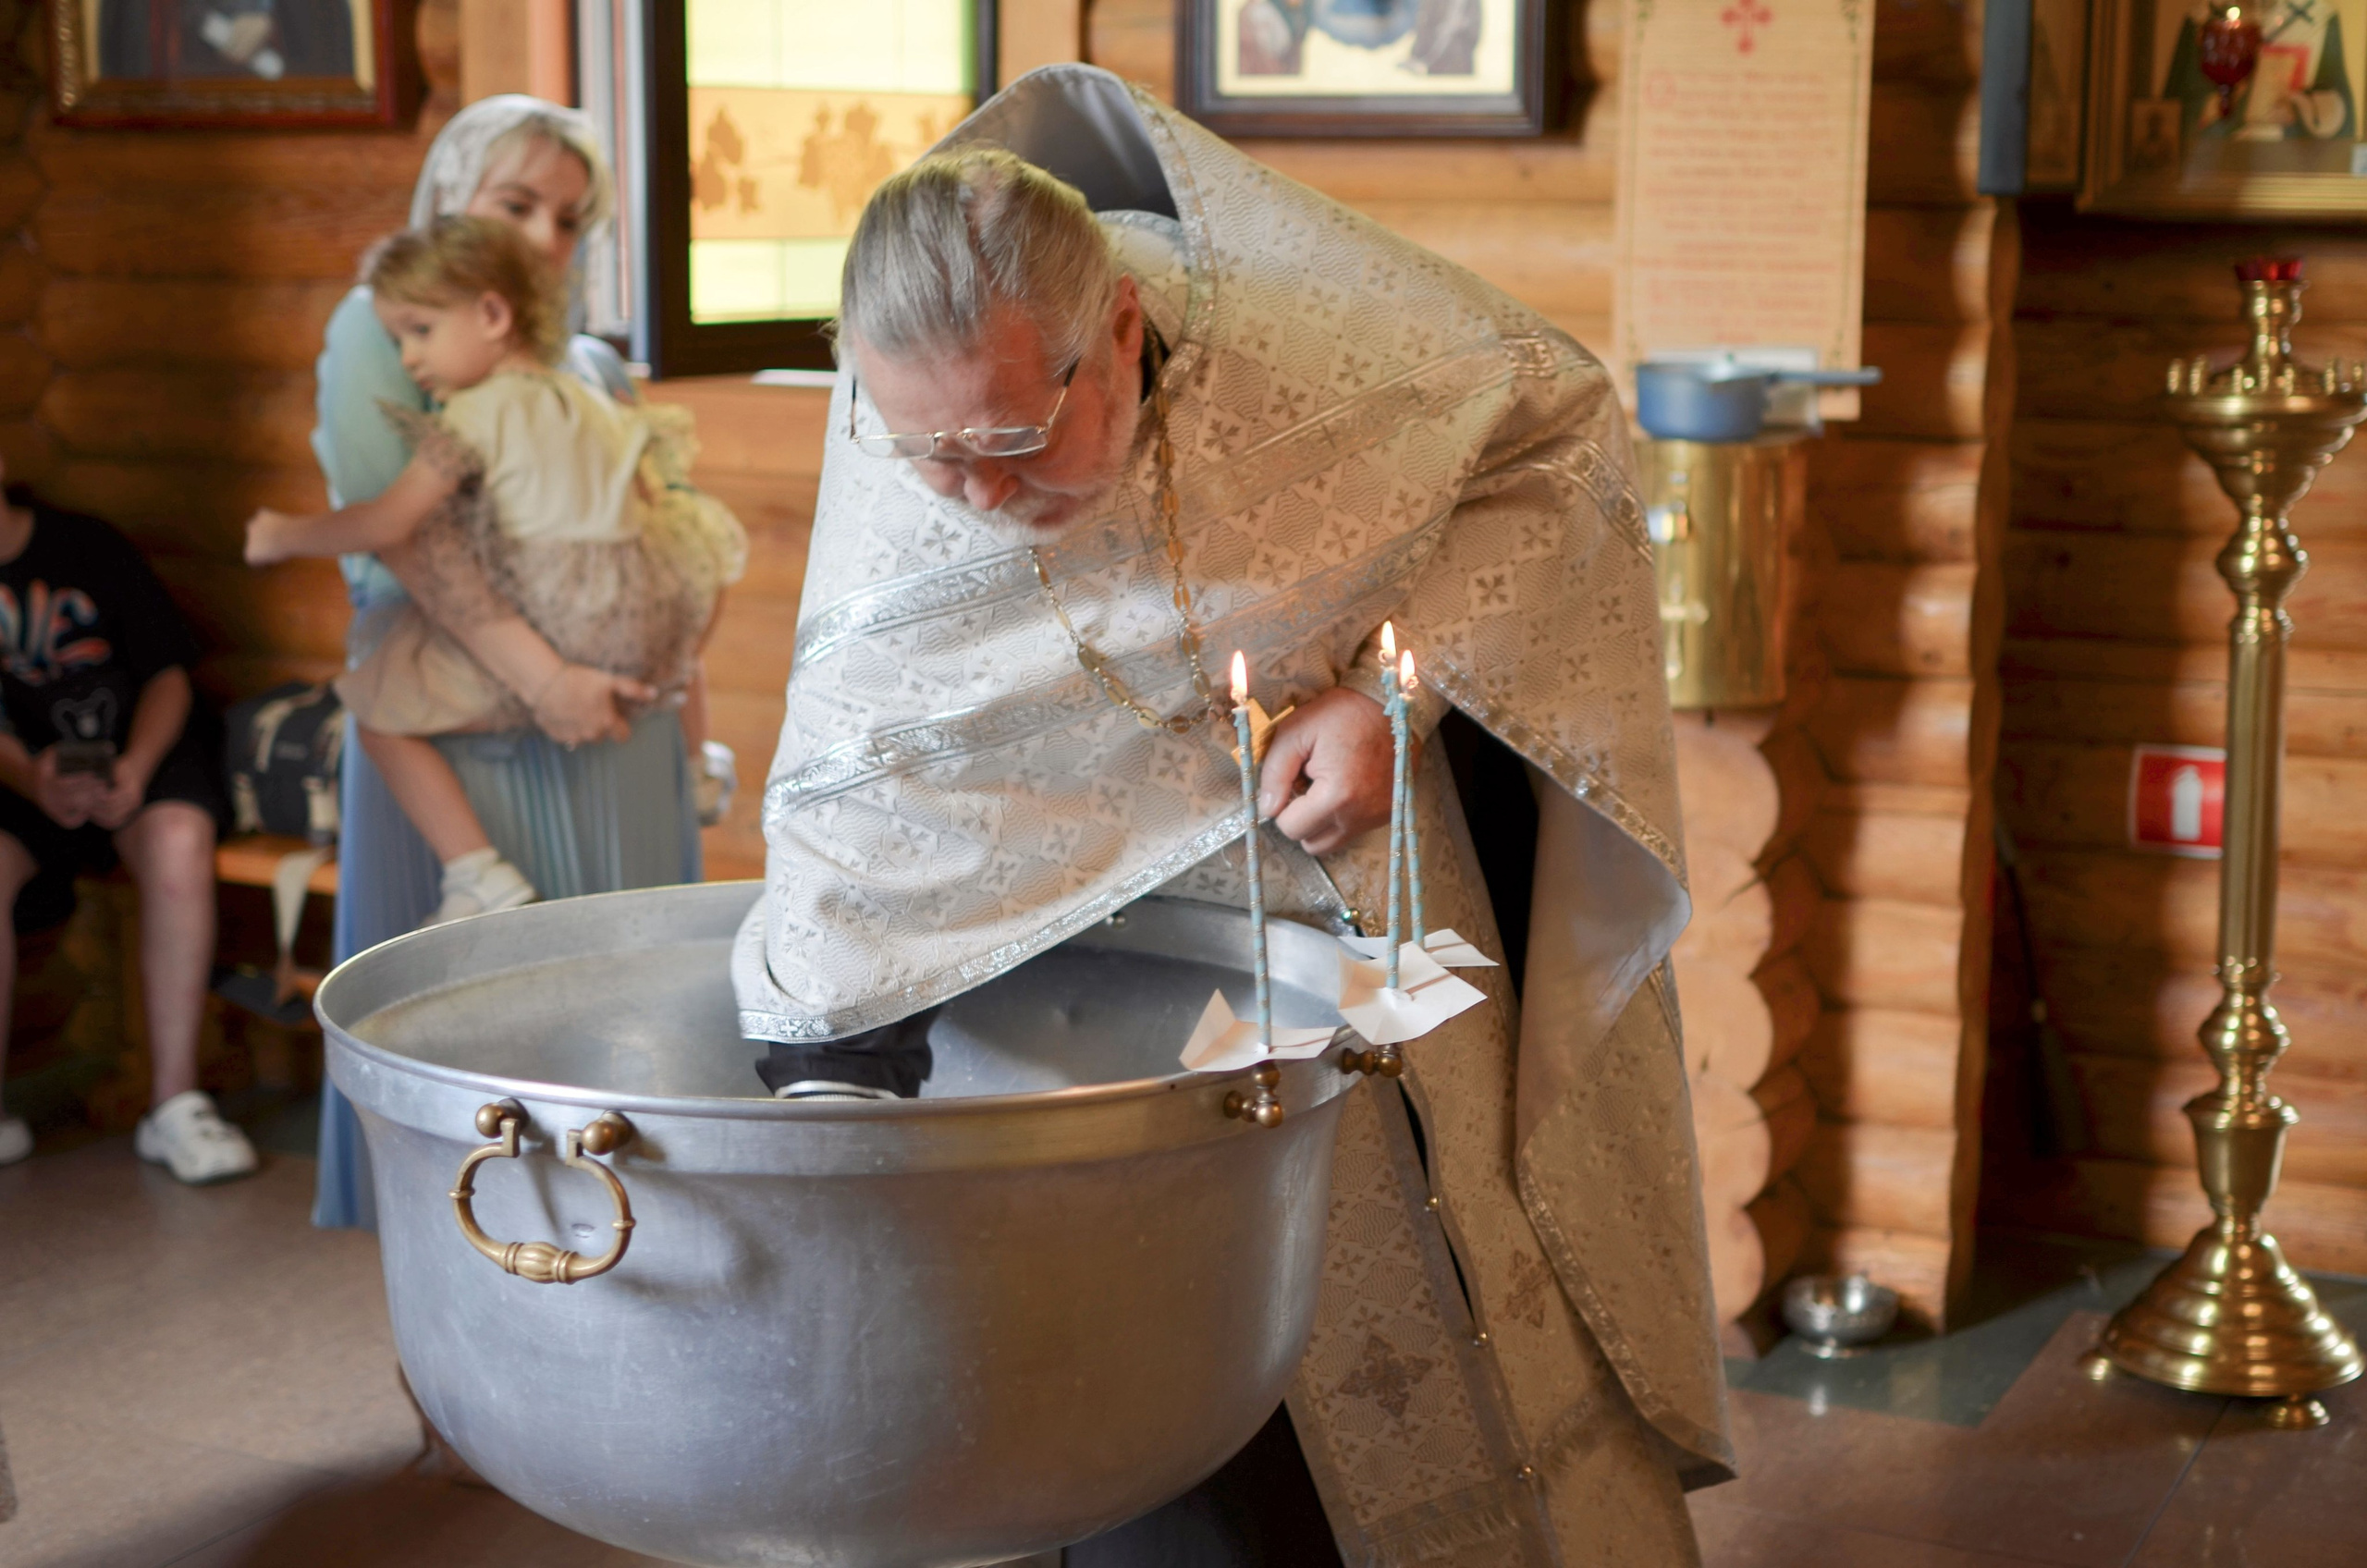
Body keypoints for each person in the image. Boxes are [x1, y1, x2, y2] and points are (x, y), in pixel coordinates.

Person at [736, 66, 1729, 1564]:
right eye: (924, 450)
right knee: (1177, 1424)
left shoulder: (1314, 342)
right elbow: (859, 777)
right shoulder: (916, 460)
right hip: (1088, 1007)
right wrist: (826, 1104)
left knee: (1445, 1307)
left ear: (1119, 330)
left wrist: (1404, 703)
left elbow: (1564, 441)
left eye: (1010, 444)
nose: (971, 497)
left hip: (1364, 899)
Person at [310, 96, 707, 1231]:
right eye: (515, 204)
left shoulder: (590, 364)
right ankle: (468, 1359)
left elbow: (665, 558)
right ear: (449, 201)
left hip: (616, 737)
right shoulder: (373, 327)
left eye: (570, 220)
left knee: (625, 1054)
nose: (543, 239)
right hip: (466, 730)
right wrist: (549, 682)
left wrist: (688, 731)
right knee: (484, 1062)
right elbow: (413, 542)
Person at [249, 217, 742, 925]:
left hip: (560, 632)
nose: (410, 357)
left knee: (376, 711)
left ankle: (476, 872)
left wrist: (286, 534)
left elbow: (389, 521)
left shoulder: (474, 415)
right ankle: (699, 767)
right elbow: (655, 514)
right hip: (641, 622)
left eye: (419, 330)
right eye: (397, 341)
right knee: (684, 598)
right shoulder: (588, 395)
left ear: (491, 314)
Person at [0, 464, 253, 1183]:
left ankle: (175, 1106)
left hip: (142, 755)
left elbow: (168, 674)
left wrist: (137, 770)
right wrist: (31, 777)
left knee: (179, 840)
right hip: (25, 780)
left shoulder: (86, 547)